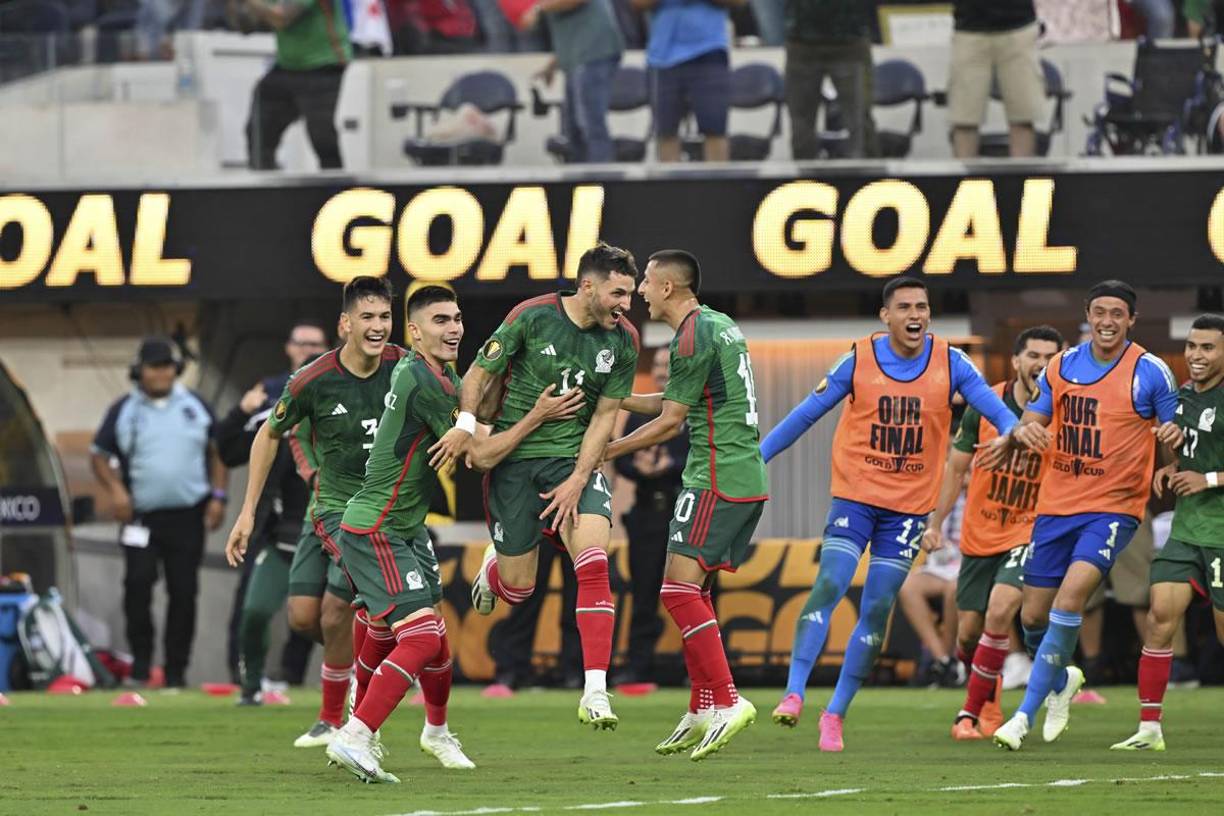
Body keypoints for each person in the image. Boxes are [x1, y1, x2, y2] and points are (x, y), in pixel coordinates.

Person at [324, 285, 586, 782]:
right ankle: (356, 733)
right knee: (420, 638)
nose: (456, 328)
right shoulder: (427, 381)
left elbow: (477, 424)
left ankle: (435, 733)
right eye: (441, 320)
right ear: (416, 332)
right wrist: (537, 416)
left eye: (458, 318)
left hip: (405, 529)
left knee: (432, 642)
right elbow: (481, 455)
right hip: (375, 526)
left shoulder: (441, 378)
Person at [761, 276, 1021, 752]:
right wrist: (757, 458)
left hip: (907, 512)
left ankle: (835, 714)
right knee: (831, 582)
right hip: (855, 498)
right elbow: (805, 413)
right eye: (904, 307)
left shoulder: (951, 362)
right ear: (886, 316)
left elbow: (995, 409)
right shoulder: (859, 358)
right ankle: (795, 693)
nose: (915, 315)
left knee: (878, 606)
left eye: (922, 306)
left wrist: (1010, 430)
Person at [431, 241, 640, 727]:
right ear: (587, 286)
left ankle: (595, 691)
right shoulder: (532, 316)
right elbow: (480, 372)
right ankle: (495, 571)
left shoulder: (623, 340)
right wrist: (465, 422)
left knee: (592, 563)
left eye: (629, 295)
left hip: (572, 462)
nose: (626, 305)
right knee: (520, 589)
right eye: (618, 293)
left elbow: (605, 417)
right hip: (515, 466)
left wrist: (579, 478)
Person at [992, 280, 1182, 750]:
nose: (1107, 321)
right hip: (1056, 505)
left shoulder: (1151, 371)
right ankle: (1061, 683)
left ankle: (1021, 717)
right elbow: (1033, 420)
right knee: (1032, 616)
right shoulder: (1061, 366)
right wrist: (1024, 434)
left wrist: (1171, 460)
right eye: (1100, 312)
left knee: (1069, 599)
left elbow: (1172, 430)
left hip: (1113, 507)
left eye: (1117, 313)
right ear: (1088, 315)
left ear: (1131, 320)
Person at [225, 276, 405, 749]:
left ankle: (345, 718)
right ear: (345, 324)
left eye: (385, 317)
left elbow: (451, 412)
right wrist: (246, 513)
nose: (378, 326)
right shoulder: (312, 379)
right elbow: (270, 434)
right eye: (367, 317)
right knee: (304, 618)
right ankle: (371, 678)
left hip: (378, 515)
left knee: (337, 612)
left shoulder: (407, 369)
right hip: (322, 511)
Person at [604, 249, 766, 760]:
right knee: (694, 591)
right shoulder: (718, 325)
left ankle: (729, 700)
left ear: (668, 287)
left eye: (646, 283)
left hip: (716, 477)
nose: (641, 293)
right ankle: (701, 706)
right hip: (739, 475)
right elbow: (678, 401)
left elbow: (672, 420)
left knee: (675, 590)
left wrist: (604, 452)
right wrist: (614, 397)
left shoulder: (692, 334)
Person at [924, 325, 1063, 740]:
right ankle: (996, 694)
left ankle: (969, 713)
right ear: (1017, 361)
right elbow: (956, 468)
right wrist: (934, 523)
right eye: (1033, 355)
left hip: (1030, 531)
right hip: (980, 533)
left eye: (1049, 358)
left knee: (1001, 611)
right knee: (968, 634)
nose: (1040, 364)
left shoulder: (1064, 410)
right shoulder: (984, 406)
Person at [1112, 314, 1224, 752]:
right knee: (1159, 617)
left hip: (1221, 532)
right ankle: (1149, 728)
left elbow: (1208, 468)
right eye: (1193, 346)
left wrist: (1209, 480)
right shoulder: (1179, 398)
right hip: (1185, 528)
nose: (1197, 355)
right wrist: (1171, 462)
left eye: (1208, 348)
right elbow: (1185, 450)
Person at [91, 337, 228, 688]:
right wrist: (116, 490)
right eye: (154, 367)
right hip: (141, 517)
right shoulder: (125, 408)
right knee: (137, 585)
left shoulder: (195, 405)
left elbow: (218, 452)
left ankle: (175, 672)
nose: (161, 373)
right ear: (140, 371)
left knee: (183, 592)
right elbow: (98, 455)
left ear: (176, 369)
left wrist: (218, 496)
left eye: (167, 366)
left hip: (187, 515)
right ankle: (140, 665)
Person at [216, 321, 329, 692]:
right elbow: (231, 448)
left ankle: (302, 680)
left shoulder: (344, 392)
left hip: (334, 525)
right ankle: (246, 681)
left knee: (320, 614)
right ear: (289, 348)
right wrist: (238, 412)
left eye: (317, 345)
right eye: (303, 344)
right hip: (278, 527)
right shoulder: (270, 397)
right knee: (253, 608)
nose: (310, 350)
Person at [612, 346, 688, 687]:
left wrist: (668, 465)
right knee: (642, 594)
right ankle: (637, 667)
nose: (661, 373)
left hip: (683, 513)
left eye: (667, 367)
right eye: (656, 367)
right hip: (646, 513)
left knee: (694, 593)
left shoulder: (691, 408)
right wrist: (640, 467)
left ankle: (697, 669)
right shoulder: (642, 411)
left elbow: (701, 456)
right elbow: (623, 455)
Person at [243, 0, 350, 169]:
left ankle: (336, 190)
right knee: (259, 131)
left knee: (323, 139)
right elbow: (246, 27)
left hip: (324, 64)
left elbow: (282, 17)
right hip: (287, 66)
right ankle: (264, 187)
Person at [635, 0, 741, 162]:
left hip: (709, 52)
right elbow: (637, 3)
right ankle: (670, 186)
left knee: (715, 131)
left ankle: (719, 187)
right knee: (666, 134)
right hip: (662, 58)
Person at [520, 0, 625, 163]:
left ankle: (602, 180)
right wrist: (553, 64)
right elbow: (571, 28)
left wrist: (538, 9)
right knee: (573, 131)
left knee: (590, 126)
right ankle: (578, 181)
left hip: (593, 54)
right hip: (579, 57)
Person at [948, 0, 1044, 158]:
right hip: (969, 28)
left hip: (1019, 26)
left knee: (1023, 117)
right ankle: (964, 180)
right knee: (964, 120)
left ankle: (1021, 179)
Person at [784, 0, 877, 159]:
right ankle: (803, 182)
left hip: (851, 38)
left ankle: (870, 182)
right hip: (802, 39)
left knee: (861, 125)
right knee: (801, 131)